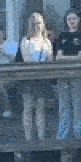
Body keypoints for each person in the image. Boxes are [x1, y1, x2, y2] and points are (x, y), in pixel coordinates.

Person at [52, 9, 81, 140]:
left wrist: (66, 57)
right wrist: (70, 57)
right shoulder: (61, 36)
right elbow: (57, 57)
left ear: (79, 20)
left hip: (78, 74)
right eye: (69, 19)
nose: (71, 21)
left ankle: (79, 134)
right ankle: (63, 134)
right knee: (63, 105)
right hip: (62, 75)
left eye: (74, 18)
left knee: (78, 103)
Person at [18, 12, 53, 141]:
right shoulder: (26, 40)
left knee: (41, 108)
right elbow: (26, 59)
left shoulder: (47, 42)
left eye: (39, 23)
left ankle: (41, 138)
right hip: (29, 77)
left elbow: (50, 59)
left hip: (42, 78)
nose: (37, 26)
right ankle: (28, 138)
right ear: (30, 25)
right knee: (28, 107)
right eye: (34, 24)